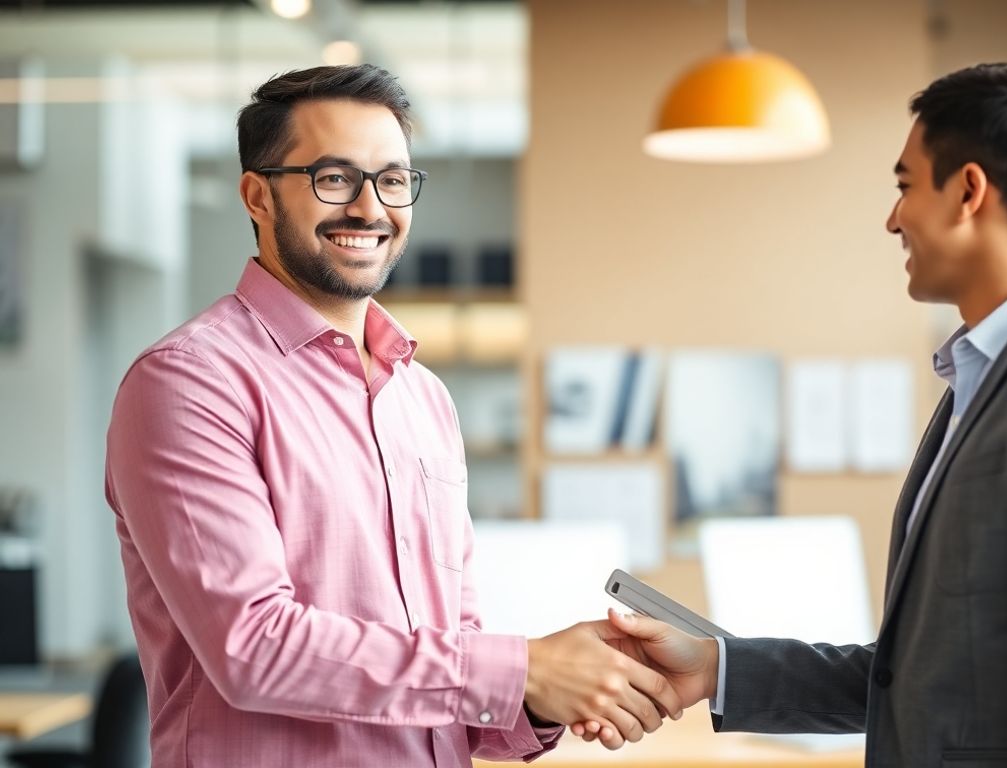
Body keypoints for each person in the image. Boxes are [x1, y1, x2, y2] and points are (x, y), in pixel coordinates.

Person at [579, 62, 1007, 767]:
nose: (892, 217)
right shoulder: (986, 381)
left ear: (968, 191)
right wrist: (716, 667)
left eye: (905, 186)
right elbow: (915, 679)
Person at [105, 64, 681, 768]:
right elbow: (251, 647)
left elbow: (450, 681)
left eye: (394, 178)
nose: (371, 207)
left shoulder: (423, 399)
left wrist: (557, 690)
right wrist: (522, 670)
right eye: (334, 178)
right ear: (257, 195)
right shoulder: (190, 383)